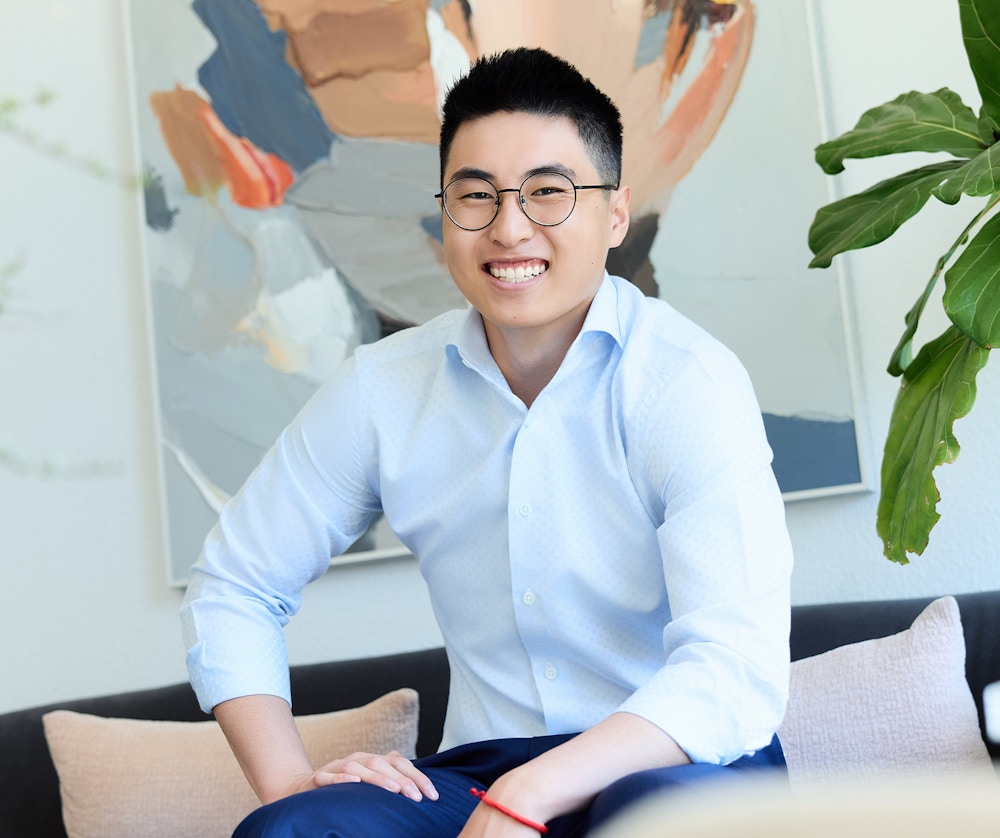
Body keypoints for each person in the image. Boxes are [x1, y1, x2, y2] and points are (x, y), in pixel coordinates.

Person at [180, 47, 793, 838]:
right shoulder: (382, 389)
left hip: (681, 764)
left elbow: (735, 667)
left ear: (615, 214)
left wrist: (531, 794)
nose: (509, 228)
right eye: (476, 195)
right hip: (479, 773)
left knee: (645, 822)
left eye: (548, 192)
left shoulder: (687, 381)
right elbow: (234, 582)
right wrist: (290, 784)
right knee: (298, 830)